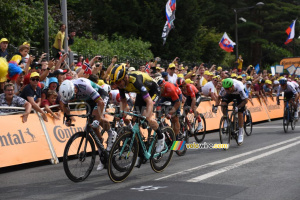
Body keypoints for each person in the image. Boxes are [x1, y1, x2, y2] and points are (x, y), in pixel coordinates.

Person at [59, 77, 115, 171]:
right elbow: (65, 106)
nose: (73, 99)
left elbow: (100, 102)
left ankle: (111, 133)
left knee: (96, 118)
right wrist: (68, 117)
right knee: (92, 126)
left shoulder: (84, 86)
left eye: (73, 97)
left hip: (100, 96)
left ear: (75, 89)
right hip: (89, 100)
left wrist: (98, 118)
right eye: (71, 99)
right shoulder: (65, 92)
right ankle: (103, 155)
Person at [109, 64, 164, 155]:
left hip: (153, 91)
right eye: (116, 83)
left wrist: (147, 115)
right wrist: (122, 113)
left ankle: (161, 137)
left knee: (148, 118)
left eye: (119, 82)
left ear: (125, 77)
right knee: (134, 120)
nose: (117, 85)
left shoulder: (135, 81)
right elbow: (123, 101)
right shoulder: (121, 84)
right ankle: (140, 151)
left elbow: (149, 102)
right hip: (141, 93)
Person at [213, 78, 248, 145]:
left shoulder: (239, 87)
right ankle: (226, 119)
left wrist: (238, 107)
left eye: (228, 89)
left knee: (240, 113)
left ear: (232, 86)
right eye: (225, 89)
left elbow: (245, 100)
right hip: (231, 95)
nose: (226, 90)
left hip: (239, 95)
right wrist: (216, 106)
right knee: (223, 105)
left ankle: (240, 132)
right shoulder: (225, 89)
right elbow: (219, 97)